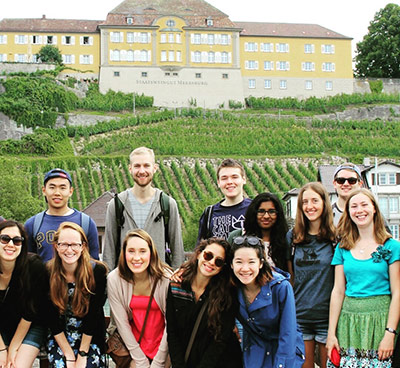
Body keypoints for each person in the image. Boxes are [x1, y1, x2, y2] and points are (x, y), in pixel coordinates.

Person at [327, 189, 400, 367]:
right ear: (349, 212)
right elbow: (338, 291)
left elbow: (397, 291)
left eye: (364, 204)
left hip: (380, 319)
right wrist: (331, 333)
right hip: (349, 321)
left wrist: (390, 332)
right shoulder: (343, 248)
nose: (359, 210)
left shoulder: (392, 246)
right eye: (354, 206)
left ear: (374, 208)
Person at [103, 147, 185, 270]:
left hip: (158, 282)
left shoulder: (167, 204)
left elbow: (177, 250)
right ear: (130, 169)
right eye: (137, 166)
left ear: (155, 168)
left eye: (146, 166)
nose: (142, 171)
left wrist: (175, 283)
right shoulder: (116, 205)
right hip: (126, 282)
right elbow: (109, 251)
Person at [166, 238, 242, 368]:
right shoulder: (177, 285)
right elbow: (172, 332)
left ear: (222, 267)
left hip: (221, 362)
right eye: (208, 255)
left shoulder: (226, 294)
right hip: (187, 360)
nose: (211, 262)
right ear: (199, 253)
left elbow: (221, 340)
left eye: (218, 261)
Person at [230, 235, 305, 367]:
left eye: (251, 262)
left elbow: (288, 332)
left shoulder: (280, 287)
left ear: (260, 263)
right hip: (255, 349)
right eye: (239, 262)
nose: (245, 268)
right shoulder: (231, 287)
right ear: (231, 264)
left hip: (284, 348)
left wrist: (282, 365)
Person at [287, 182, 336, 368]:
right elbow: (291, 276)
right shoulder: (292, 238)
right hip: (300, 316)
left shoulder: (336, 238)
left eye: (315, 200)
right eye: (305, 202)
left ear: (324, 203)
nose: (310, 206)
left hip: (327, 318)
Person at [107, 229, 172, 367]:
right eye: (131, 251)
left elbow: (170, 323)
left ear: (151, 253)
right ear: (124, 253)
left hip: (164, 344)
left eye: (142, 251)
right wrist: (140, 361)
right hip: (133, 344)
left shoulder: (165, 279)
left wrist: (159, 361)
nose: (136, 257)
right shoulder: (114, 279)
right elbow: (122, 323)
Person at [46, 222, 107, 367]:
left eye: (74, 244)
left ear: (83, 246)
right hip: (60, 336)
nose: (69, 250)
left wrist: (82, 354)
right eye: (64, 244)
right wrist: (68, 354)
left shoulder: (97, 272)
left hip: (89, 336)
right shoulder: (46, 273)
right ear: (56, 246)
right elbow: (51, 318)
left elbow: (94, 315)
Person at [0, 220, 47, 368]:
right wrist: (2, 349)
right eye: (4, 239)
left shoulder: (34, 267)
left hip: (29, 325)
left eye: (17, 241)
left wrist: (13, 347)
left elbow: (30, 312)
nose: (10, 245)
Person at [25, 168, 99, 262]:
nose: (57, 193)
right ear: (44, 190)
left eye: (62, 188)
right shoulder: (32, 224)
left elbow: (94, 262)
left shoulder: (86, 223)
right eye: (52, 187)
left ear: (70, 191)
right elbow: (27, 263)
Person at [228, 192, 289, 271]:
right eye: (261, 211)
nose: (266, 216)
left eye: (271, 211)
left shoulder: (287, 239)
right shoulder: (237, 237)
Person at [197, 159, 251, 243]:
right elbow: (200, 248)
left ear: (243, 180)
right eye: (224, 178)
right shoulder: (209, 213)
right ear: (218, 183)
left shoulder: (254, 208)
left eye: (234, 177)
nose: (229, 182)